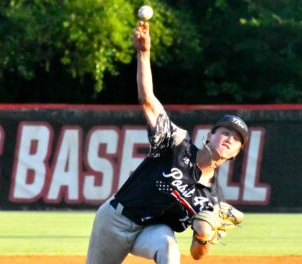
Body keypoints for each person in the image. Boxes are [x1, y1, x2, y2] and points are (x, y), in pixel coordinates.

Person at [86, 21, 249, 264]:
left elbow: (196, 254)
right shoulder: (176, 143)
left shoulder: (212, 200)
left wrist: (203, 238)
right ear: (209, 136)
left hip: (151, 232)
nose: (229, 138)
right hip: (116, 220)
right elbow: (148, 101)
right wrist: (143, 53)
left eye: (236, 139)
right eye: (225, 132)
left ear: (235, 154)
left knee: (170, 250)